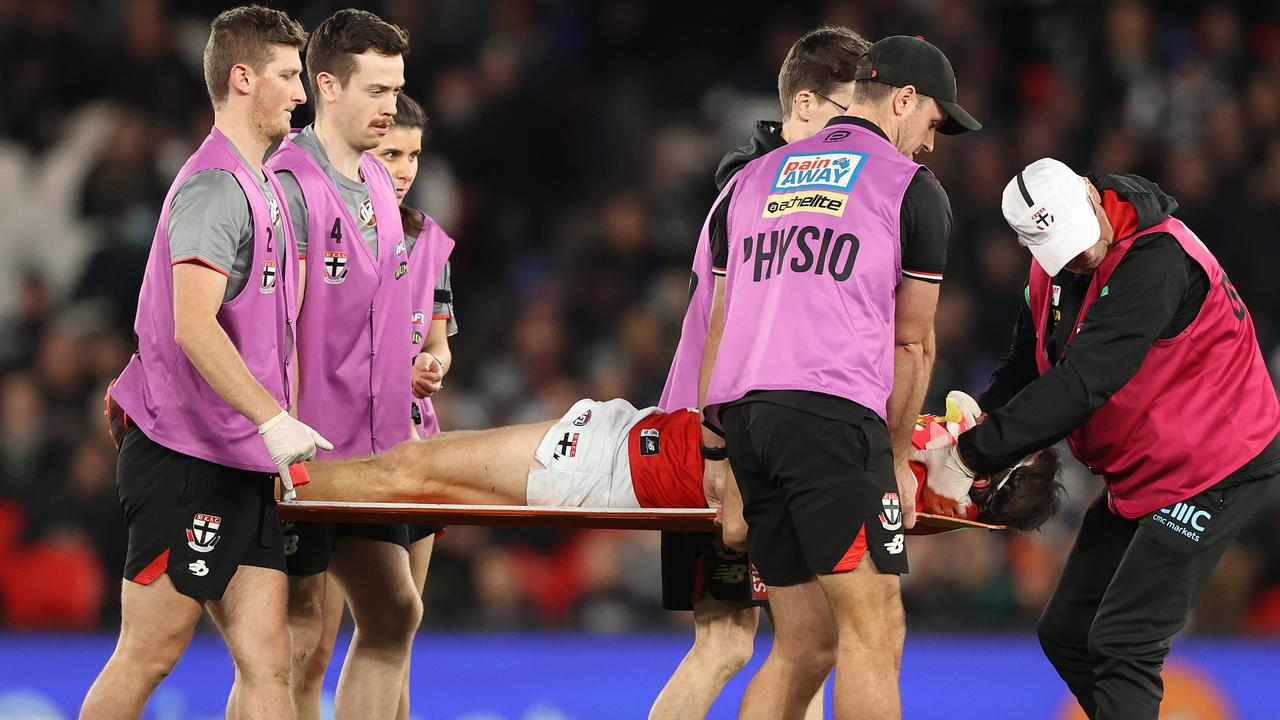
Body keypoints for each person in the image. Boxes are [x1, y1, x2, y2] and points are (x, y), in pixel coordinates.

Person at [913, 158, 1280, 720]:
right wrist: (974, 420)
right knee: (1068, 632)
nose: (1082, 256)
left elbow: (1086, 382)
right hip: (1150, 469)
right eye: (1062, 249)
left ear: (1092, 194)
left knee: (1124, 642)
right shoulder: (1054, 266)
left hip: (1219, 465)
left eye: (1082, 240)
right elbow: (1029, 363)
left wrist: (969, 457)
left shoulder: (1157, 259)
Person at [699, 35, 980, 720]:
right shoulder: (910, 188)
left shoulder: (752, 178)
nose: (934, 144)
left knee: (806, 643)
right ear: (905, 100)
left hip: (749, 423)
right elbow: (910, 342)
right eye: (936, 123)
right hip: (830, 420)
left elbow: (720, 320)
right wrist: (893, 457)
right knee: (875, 629)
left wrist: (717, 451)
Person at [80, 7, 314, 719]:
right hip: (184, 457)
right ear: (243, 79)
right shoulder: (215, 187)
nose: (300, 91)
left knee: (269, 664)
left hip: (242, 458)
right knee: (150, 653)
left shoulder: (264, 185)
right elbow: (192, 325)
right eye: (287, 74)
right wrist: (274, 418)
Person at [651, 25, 872, 720]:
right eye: (847, 115)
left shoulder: (759, 189)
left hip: (732, 435)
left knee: (797, 642)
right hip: (719, 439)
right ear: (803, 106)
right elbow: (730, 328)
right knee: (729, 642)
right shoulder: (763, 194)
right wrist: (721, 452)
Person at [264, 10, 419, 719]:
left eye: (397, 89)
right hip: (308, 452)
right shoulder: (288, 185)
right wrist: (278, 446)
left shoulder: (381, 185)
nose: (392, 106)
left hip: (373, 452)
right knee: (295, 644)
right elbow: (270, 330)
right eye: (377, 90)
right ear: (326, 85)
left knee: (393, 614)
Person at [295, 395, 1063, 533]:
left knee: (406, 470)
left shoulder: (894, 481)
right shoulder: (902, 458)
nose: (955, 427)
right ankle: (282, 486)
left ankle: (269, 487)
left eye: (980, 441)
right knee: (410, 470)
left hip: (604, 466)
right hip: (629, 436)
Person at [293, 92, 458, 720]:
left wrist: (431, 367)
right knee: (310, 645)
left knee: (397, 632)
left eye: (414, 155)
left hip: (407, 450)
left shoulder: (428, 242)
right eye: (392, 152)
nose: (404, 167)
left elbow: (437, 343)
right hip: (332, 450)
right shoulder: (320, 217)